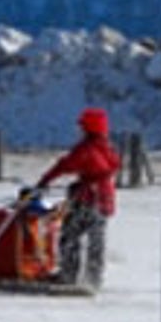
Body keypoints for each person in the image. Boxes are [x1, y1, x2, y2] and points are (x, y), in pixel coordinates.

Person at [34, 107, 121, 288]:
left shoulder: (87, 148)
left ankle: (68, 275)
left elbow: (65, 164)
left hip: (88, 199)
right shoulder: (108, 148)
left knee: (70, 235)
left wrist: (45, 180)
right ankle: (93, 278)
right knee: (96, 241)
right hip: (105, 200)